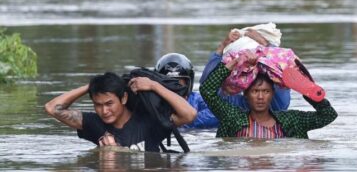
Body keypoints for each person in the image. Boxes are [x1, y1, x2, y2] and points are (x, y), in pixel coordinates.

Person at [154, 32, 291, 128]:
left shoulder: (228, 105)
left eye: (178, 83)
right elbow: (208, 87)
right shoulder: (151, 105)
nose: (173, 89)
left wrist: (267, 48)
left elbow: (207, 94)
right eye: (167, 84)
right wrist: (222, 47)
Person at [45, 72, 196, 152]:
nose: (104, 111)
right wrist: (92, 85)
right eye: (98, 105)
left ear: (123, 98)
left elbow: (190, 114)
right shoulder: (94, 123)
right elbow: (52, 108)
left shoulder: (150, 121)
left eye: (109, 103)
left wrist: (153, 86)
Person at [199, 52, 338, 138]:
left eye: (266, 91)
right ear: (246, 94)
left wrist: (305, 88)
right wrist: (234, 63)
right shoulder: (232, 117)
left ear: (272, 94)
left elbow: (328, 115)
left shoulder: (293, 120)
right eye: (255, 91)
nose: (260, 97)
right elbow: (207, 91)